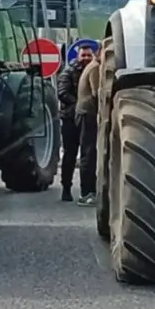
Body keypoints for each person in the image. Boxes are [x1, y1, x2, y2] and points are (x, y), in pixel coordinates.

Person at [55, 42, 96, 202]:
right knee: (70, 154)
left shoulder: (93, 70)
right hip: (70, 119)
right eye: (83, 55)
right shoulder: (68, 72)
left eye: (88, 55)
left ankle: (89, 189)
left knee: (89, 153)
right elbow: (62, 93)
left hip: (86, 118)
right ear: (77, 56)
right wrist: (79, 104)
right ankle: (66, 187)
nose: (86, 58)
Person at [74, 43, 104, 207]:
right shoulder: (95, 68)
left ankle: (89, 191)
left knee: (89, 152)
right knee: (88, 153)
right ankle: (86, 193)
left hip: (85, 114)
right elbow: (96, 93)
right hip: (87, 114)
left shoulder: (92, 66)